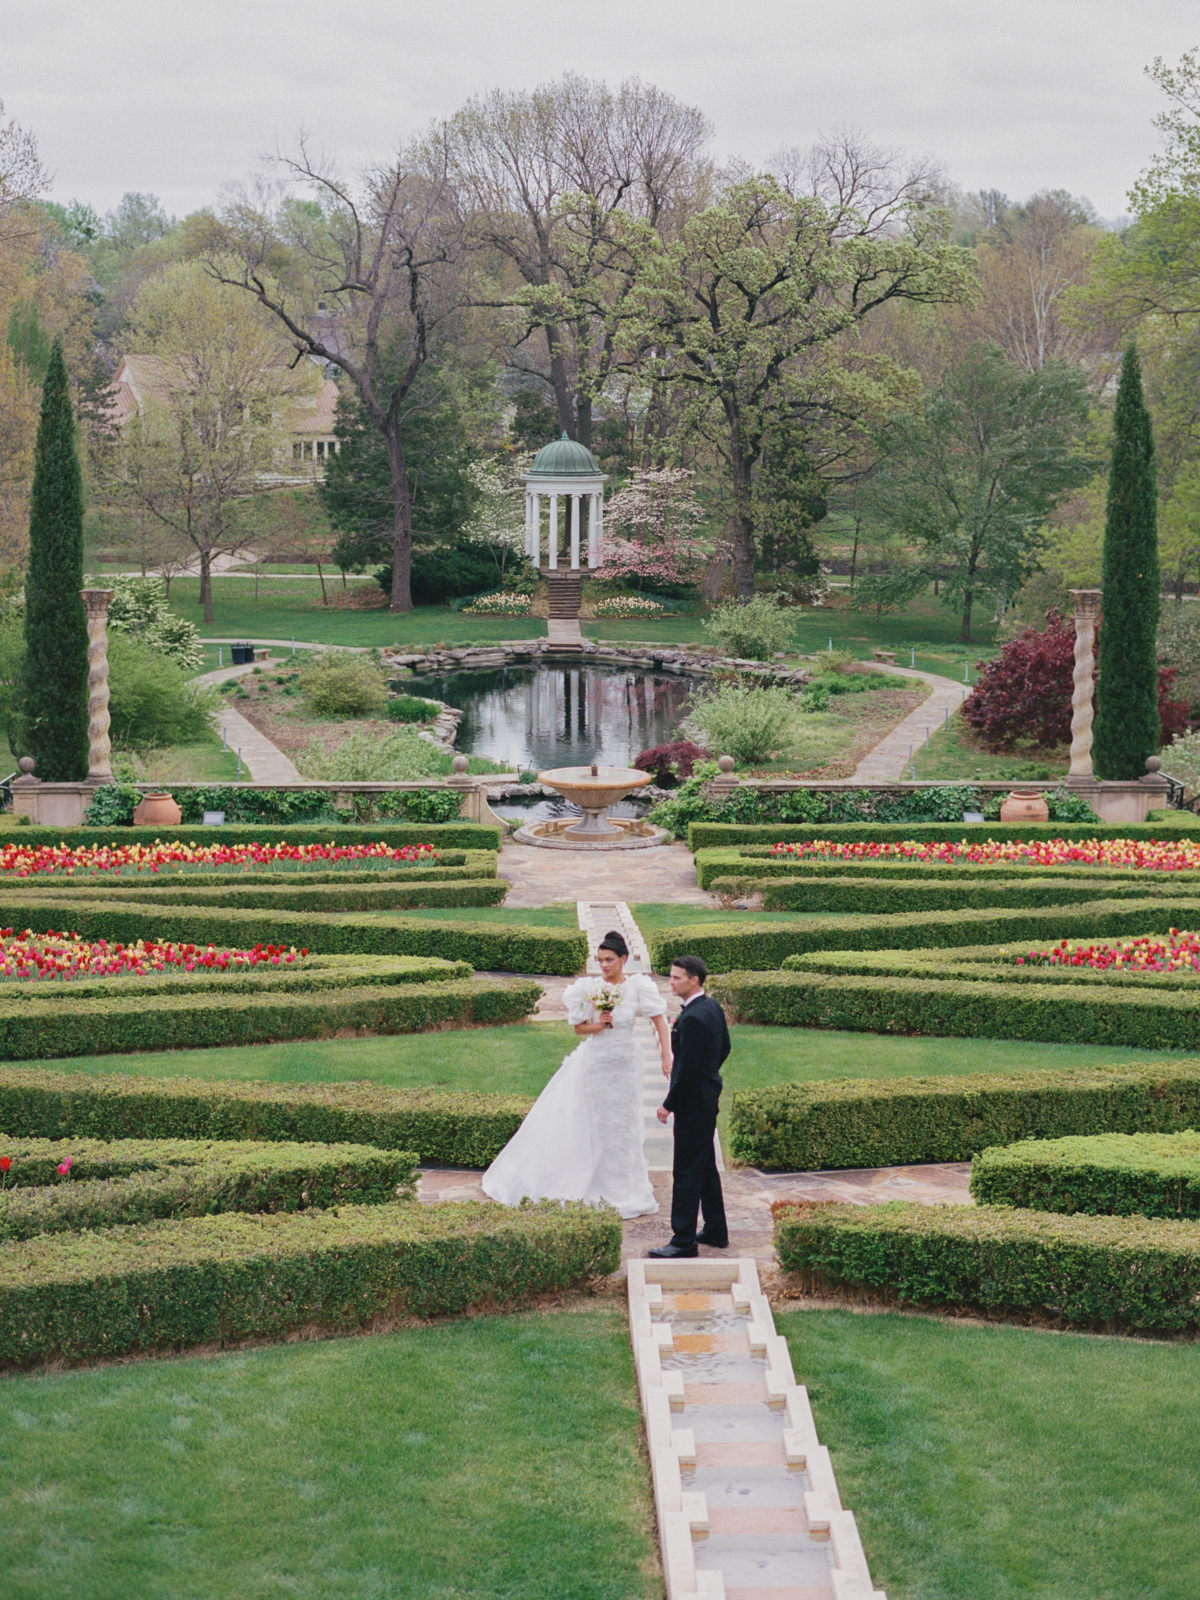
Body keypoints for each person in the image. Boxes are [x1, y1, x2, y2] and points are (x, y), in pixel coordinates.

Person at [482, 930, 671, 1219]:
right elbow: (578, 1028)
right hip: (596, 1063)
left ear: (624, 958)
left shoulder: (638, 987)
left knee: (623, 1124)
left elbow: (659, 1019)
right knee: (594, 1123)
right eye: (600, 960)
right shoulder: (588, 988)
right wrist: (600, 1024)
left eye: (609, 960)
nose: (604, 965)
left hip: (625, 1065)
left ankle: (625, 1184)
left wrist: (666, 1055)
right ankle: (590, 1181)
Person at [648, 954, 730, 1258]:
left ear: (694, 979)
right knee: (705, 1164)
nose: (671, 982)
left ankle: (683, 1239)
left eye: (676, 977)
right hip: (707, 1097)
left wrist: (668, 1105)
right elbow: (725, 1048)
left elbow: (686, 1071)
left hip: (694, 1104)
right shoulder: (712, 1007)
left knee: (685, 1170)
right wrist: (710, 1074)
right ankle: (716, 1229)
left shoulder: (694, 1017)